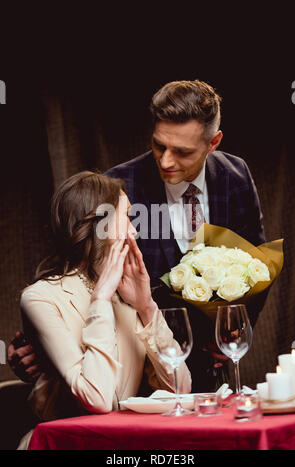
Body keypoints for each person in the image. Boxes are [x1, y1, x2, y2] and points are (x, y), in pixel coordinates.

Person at [8, 79, 266, 392]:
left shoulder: (235, 175)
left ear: (213, 143)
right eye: (159, 145)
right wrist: (39, 342)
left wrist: (233, 331)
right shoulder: (118, 186)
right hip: (141, 374)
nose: (166, 161)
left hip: (214, 363)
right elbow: (76, 273)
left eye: (182, 152)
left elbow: (256, 264)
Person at [16, 171, 191, 449]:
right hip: (65, 444)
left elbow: (180, 389)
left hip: (121, 443)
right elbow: (98, 400)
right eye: (127, 219)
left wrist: (146, 306)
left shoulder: (126, 294)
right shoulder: (40, 298)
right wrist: (100, 300)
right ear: (99, 227)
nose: (134, 231)